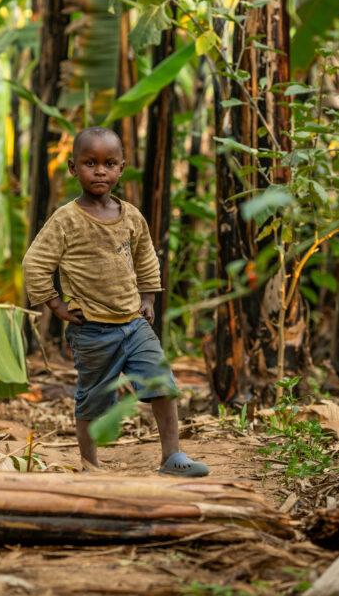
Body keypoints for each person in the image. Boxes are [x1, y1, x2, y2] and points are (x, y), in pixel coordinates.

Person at [22, 126, 209, 476]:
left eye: (109, 163)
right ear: (73, 167)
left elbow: (146, 257)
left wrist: (149, 298)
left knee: (160, 382)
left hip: (133, 323)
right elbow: (35, 262)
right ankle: (90, 465)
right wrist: (55, 304)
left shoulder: (131, 216)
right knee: (92, 398)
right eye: (89, 162)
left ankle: (172, 456)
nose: (100, 171)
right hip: (91, 330)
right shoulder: (66, 219)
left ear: (122, 168)